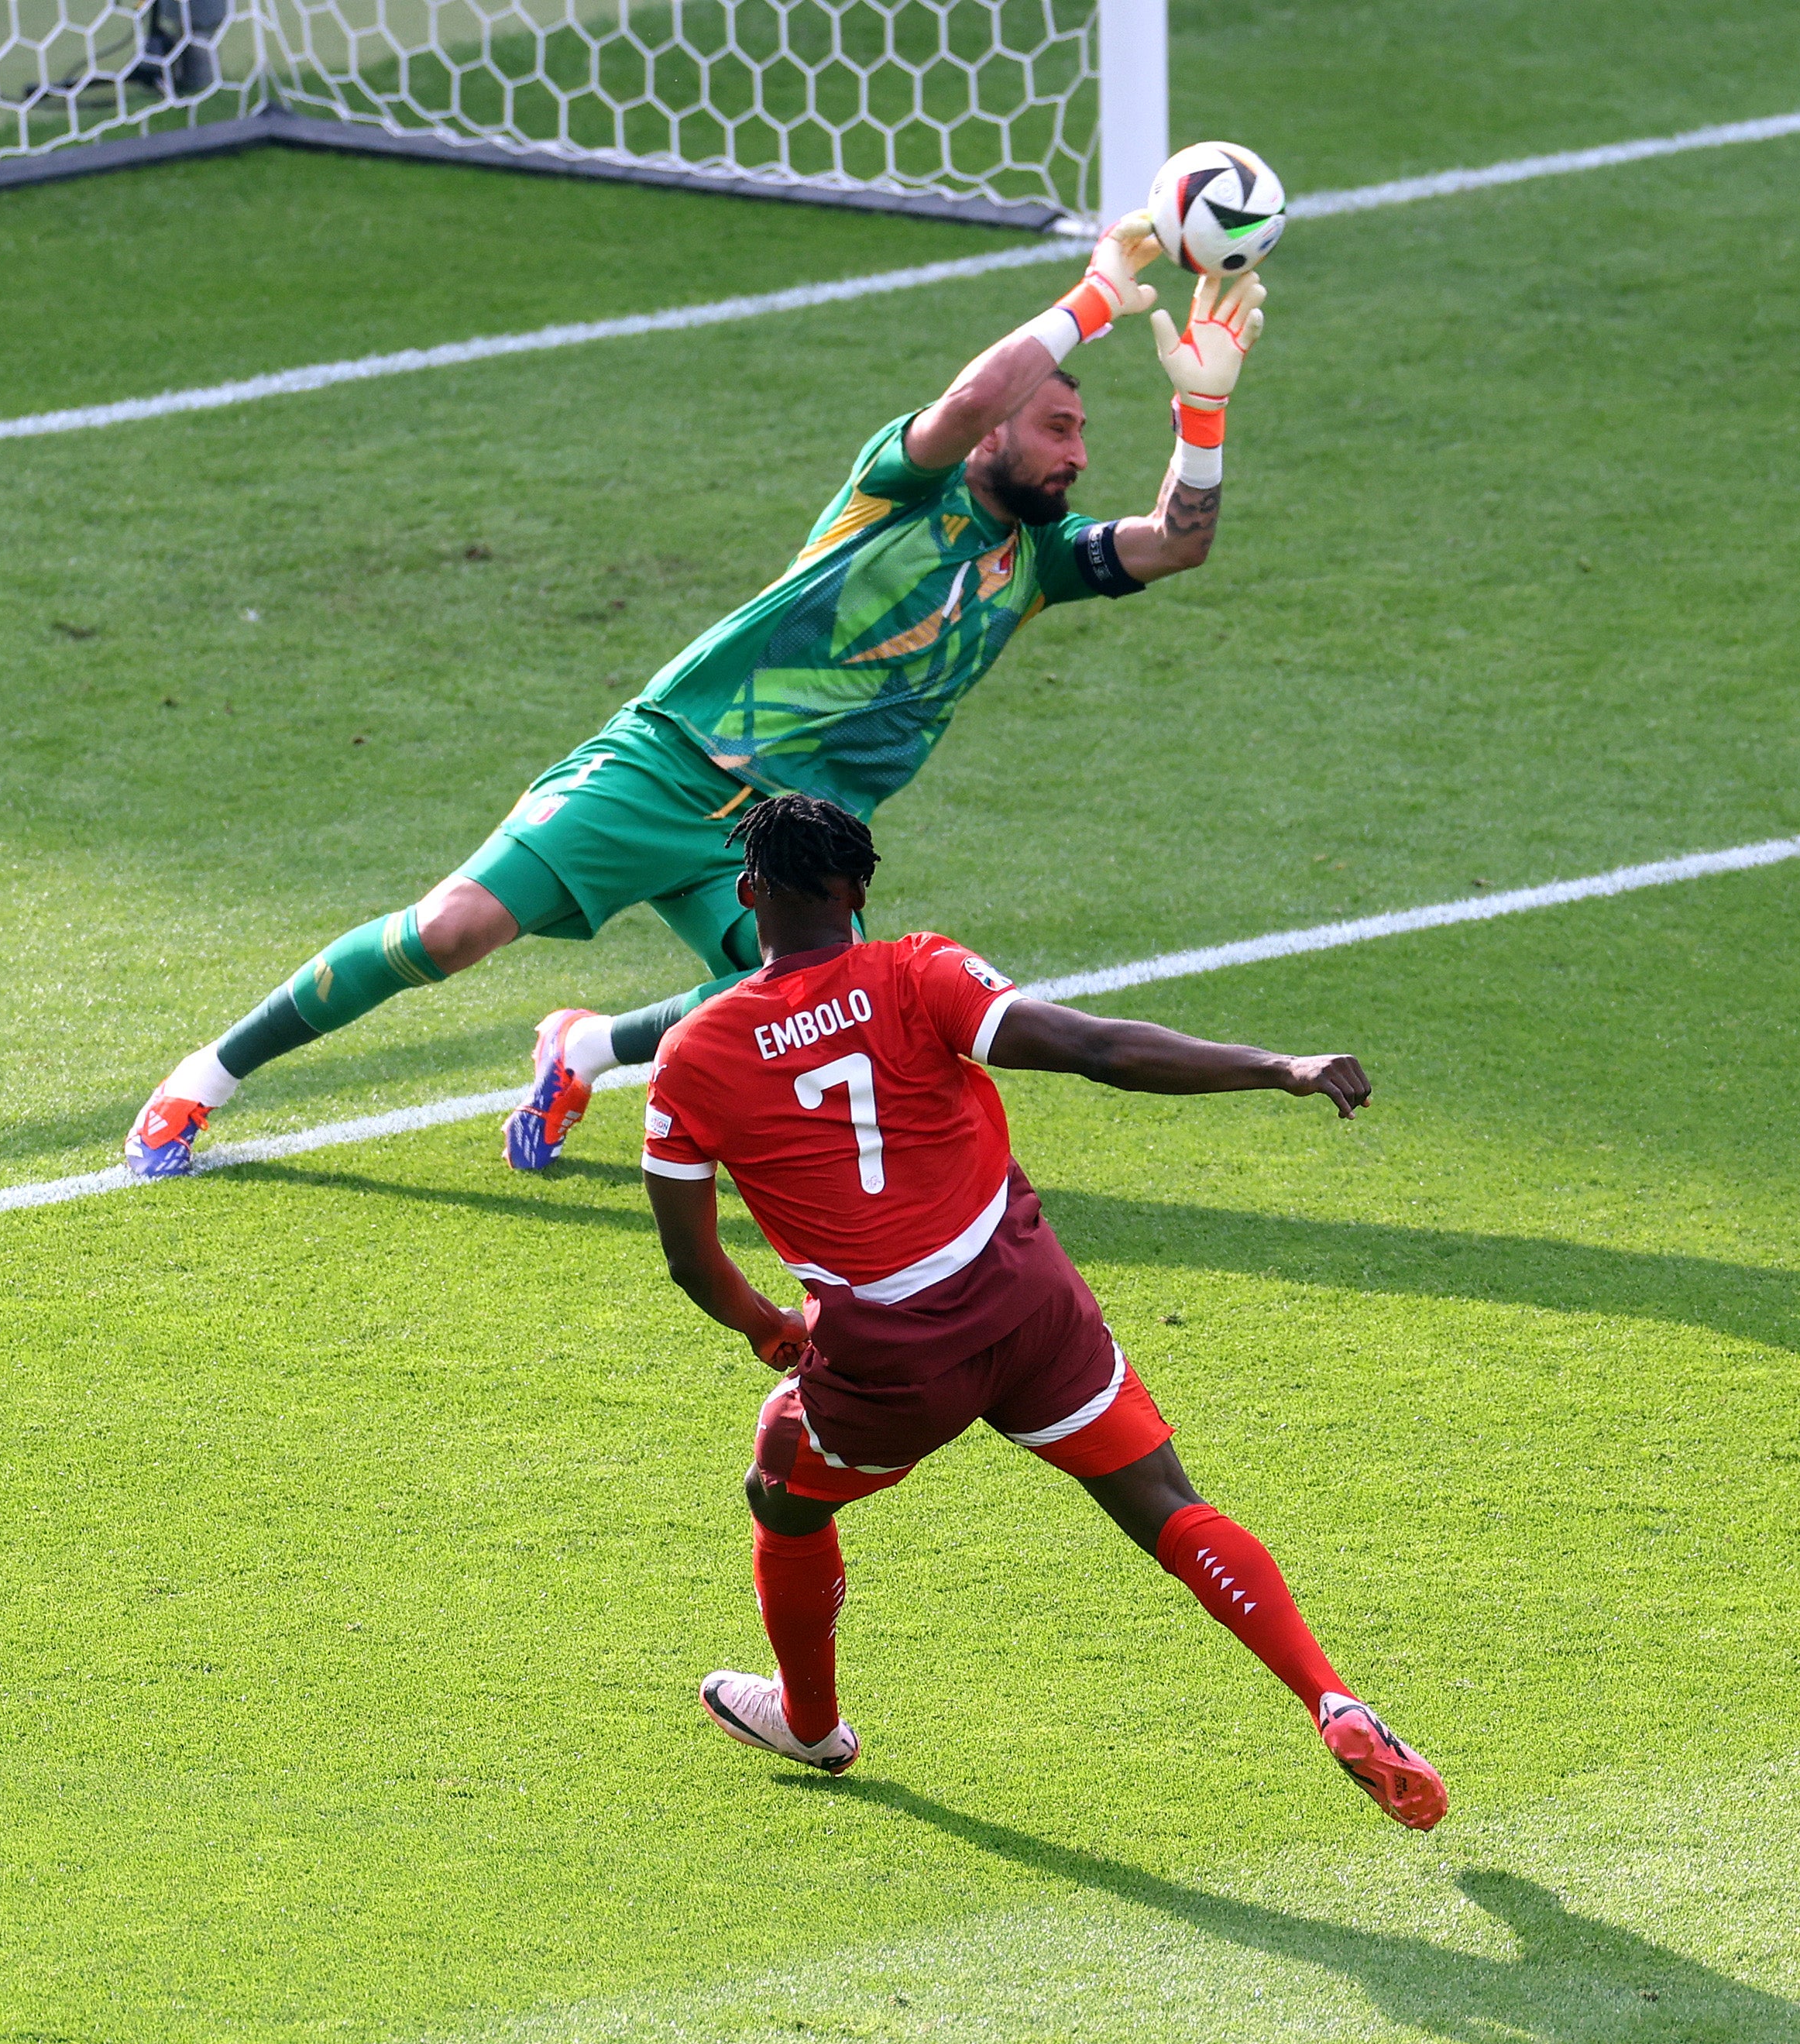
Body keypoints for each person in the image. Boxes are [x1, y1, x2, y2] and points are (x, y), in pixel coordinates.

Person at [122, 216, 1267, 1178]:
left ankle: (583, 1050)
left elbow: (1175, 544)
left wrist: (1201, 419)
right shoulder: (898, 489)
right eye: (1060, 426)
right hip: (670, 763)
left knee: (796, 1001)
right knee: (453, 929)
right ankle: (202, 1078)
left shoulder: (1040, 563)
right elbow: (971, 394)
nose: (1076, 453)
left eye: (1083, 436)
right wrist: (1095, 300)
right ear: (1000, 435)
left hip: (784, 834)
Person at [641, 794, 1447, 1831]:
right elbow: (1099, 1048)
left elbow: (686, 1253)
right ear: (857, 893)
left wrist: (765, 1324)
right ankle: (1329, 1694)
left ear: (749, 894)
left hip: (890, 1356)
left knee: (781, 1488)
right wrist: (1275, 1067)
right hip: (1028, 1304)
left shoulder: (696, 1054)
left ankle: (810, 1720)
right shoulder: (918, 970)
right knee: (1163, 1500)